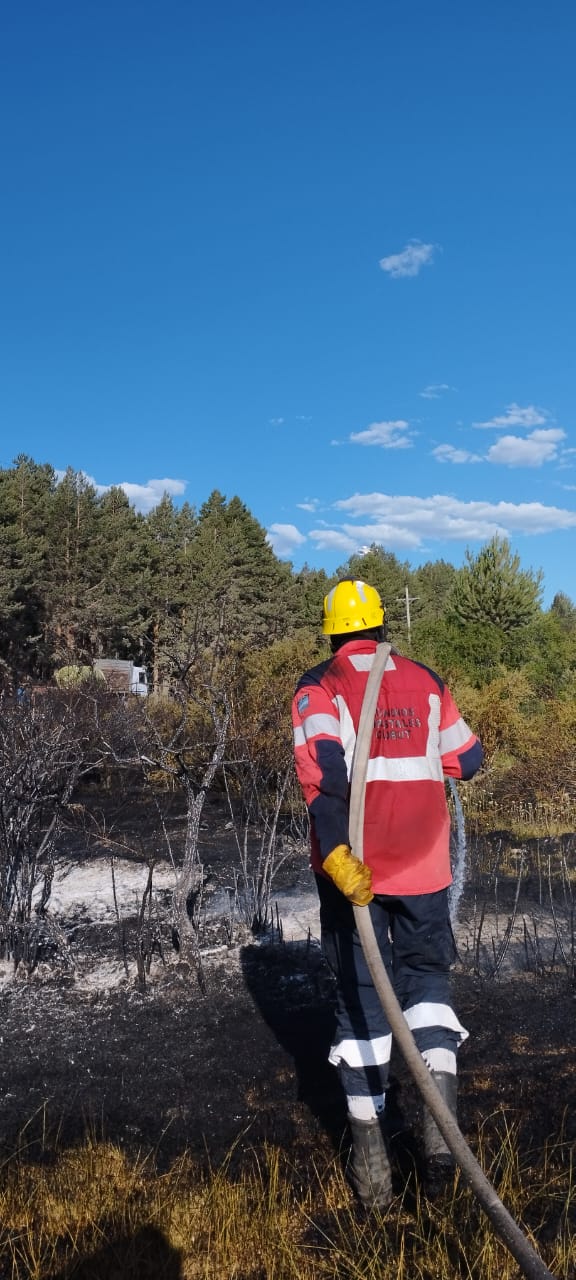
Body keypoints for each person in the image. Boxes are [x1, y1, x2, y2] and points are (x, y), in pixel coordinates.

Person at [291, 579, 483, 1208]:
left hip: (358, 877)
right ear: (377, 624)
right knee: (428, 991)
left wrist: (338, 852)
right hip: (426, 871)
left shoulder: (320, 687)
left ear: (333, 630)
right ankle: (440, 1149)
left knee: (361, 1007)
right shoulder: (426, 681)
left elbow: (323, 774)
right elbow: (469, 759)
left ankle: (374, 1180)